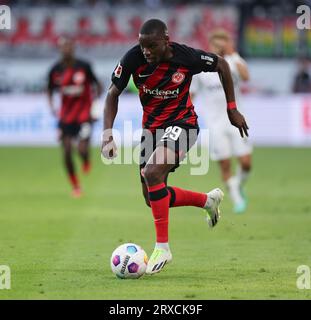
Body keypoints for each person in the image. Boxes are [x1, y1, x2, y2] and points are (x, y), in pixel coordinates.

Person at [101, 19, 249, 275]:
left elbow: (222, 65)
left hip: (184, 124)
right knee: (151, 197)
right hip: (151, 131)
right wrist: (107, 135)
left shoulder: (186, 56)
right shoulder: (132, 59)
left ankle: (163, 248)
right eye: (142, 45)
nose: (146, 51)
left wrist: (231, 108)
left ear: (165, 41)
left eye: (152, 46)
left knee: (152, 173)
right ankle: (207, 201)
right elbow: (112, 94)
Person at [191, 29, 252, 214]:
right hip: (215, 124)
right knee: (225, 165)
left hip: (236, 121)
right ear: (210, 44)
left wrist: (233, 53)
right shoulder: (203, 67)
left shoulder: (234, 61)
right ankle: (237, 198)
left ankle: (238, 185)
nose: (219, 46)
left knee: (246, 163)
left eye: (223, 42)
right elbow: (192, 94)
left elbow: (246, 76)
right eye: (216, 42)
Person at [47, 36, 103, 197]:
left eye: (69, 46)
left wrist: (96, 105)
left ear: (73, 48)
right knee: (66, 152)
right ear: (59, 49)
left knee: (81, 148)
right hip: (66, 117)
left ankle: (85, 160)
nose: (66, 49)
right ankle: (76, 186)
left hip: (84, 115)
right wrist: (52, 106)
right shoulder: (55, 70)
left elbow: (97, 84)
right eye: (63, 47)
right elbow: (50, 90)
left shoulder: (84, 66)